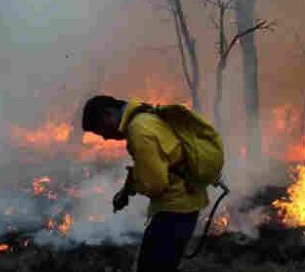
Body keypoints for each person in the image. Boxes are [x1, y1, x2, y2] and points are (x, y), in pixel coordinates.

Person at [81, 95, 209, 271]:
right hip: (184, 204)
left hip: (175, 209)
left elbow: (155, 184)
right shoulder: (144, 118)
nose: (104, 138)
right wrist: (126, 191)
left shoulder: (139, 131)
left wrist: (137, 185)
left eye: (100, 130)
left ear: (107, 114)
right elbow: (155, 164)